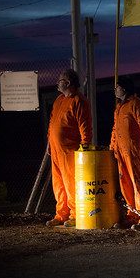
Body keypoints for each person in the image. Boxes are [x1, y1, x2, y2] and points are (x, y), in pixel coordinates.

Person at [46, 69, 92, 228]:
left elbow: (85, 126)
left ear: (68, 83)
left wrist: (85, 146)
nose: (58, 82)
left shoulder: (79, 101)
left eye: (61, 80)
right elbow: (52, 124)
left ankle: (75, 215)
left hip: (70, 151)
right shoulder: (59, 100)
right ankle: (61, 214)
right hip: (56, 150)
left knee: (72, 184)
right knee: (58, 185)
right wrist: (49, 144)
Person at [110, 75, 140, 230]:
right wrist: (112, 148)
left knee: (138, 183)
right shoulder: (119, 107)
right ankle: (132, 215)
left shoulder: (137, 104)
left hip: (134, 151)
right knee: (125, 184)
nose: (115, 89)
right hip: (120, 152)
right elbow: (115, 130)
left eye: (117, 86)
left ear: (124, 88)